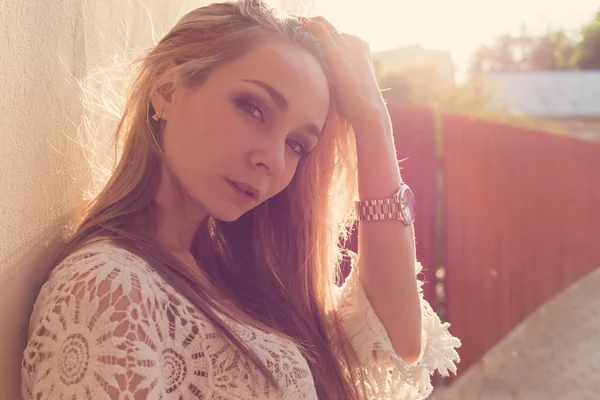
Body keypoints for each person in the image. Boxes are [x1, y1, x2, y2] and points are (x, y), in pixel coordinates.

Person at [21, 1, 460, 399]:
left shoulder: (235, 279)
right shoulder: (109, 286)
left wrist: (371, 120)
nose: (272, 159)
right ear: (168, 89)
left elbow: (396, 339)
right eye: (253, 108)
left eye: (297, 145)